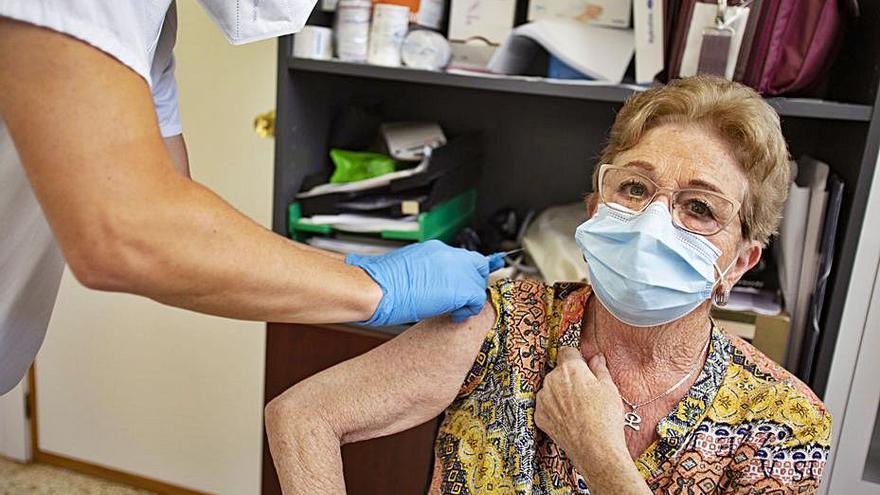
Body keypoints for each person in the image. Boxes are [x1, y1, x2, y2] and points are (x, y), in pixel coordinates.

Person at [265, 76, 832, 494]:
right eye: (634, 190)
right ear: (594, 210)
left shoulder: (784, 423)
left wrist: (600, 455)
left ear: (739, 262)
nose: (652, 225)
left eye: (699, 207)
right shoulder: (502, 322)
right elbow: (301, 419)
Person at [0, 2, 501, 396]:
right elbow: (130, 233)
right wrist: (377, 288)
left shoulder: (144, 24)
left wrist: (349, 266)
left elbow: (175, 215)